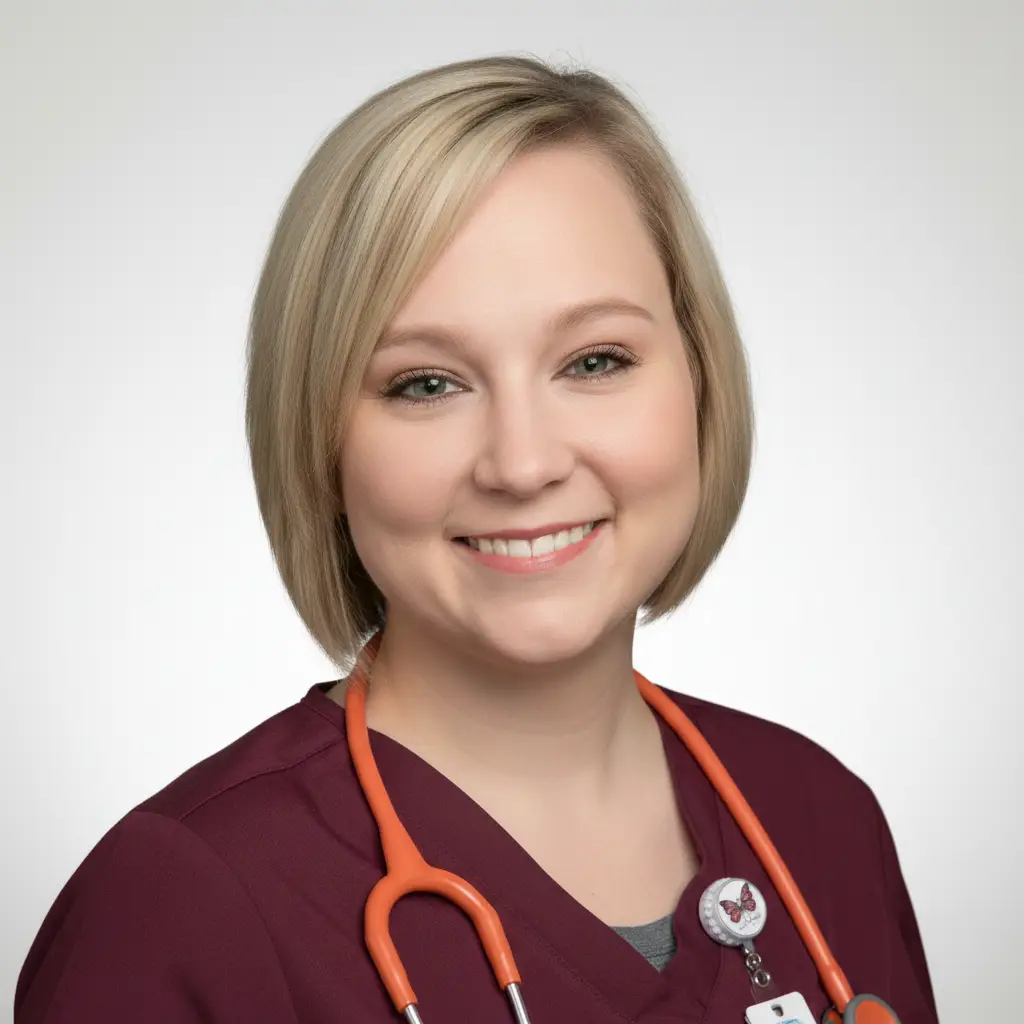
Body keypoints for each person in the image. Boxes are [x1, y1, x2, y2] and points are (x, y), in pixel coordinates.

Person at [15, 55, 939, 1023]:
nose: (522, 462)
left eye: (594, 360)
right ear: (321, 438)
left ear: (700, 382)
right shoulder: (181, 907)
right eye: (426, 382)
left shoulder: (821, 821)